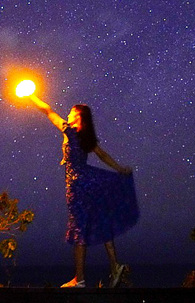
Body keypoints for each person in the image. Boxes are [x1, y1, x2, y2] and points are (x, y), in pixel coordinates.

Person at [34, 100, 139, 288]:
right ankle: (115, 266)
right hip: (91, 181)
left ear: (78, 117)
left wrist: (31, 97)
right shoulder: (86, 137)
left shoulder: (70, 131)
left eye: (72, 111)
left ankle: (79, 279)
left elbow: (48, 111)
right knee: (101, 221)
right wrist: (120, 169)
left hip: (77, 185)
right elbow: (103, 155)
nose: (68, 113)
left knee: (79, 229)